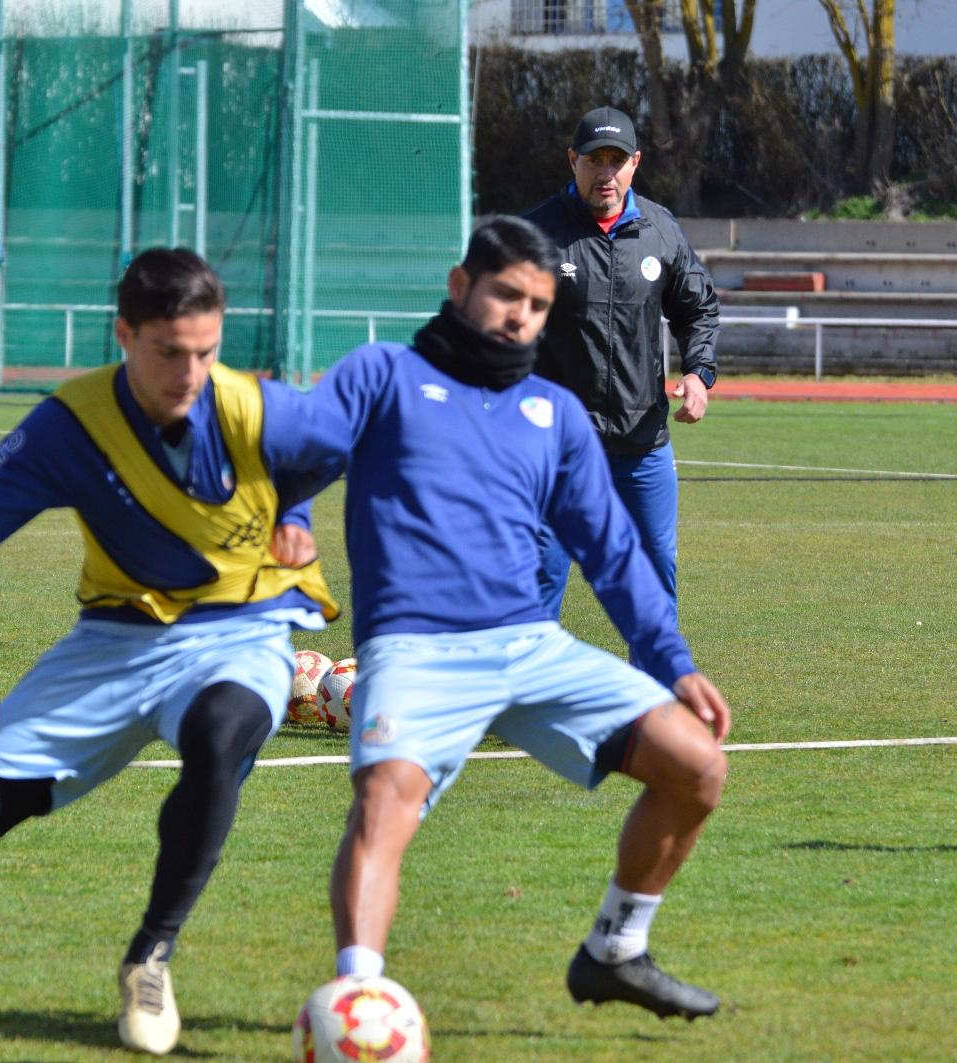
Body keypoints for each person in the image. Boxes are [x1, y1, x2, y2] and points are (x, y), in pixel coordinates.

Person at [0, 249, 346, 1057]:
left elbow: (350, 445)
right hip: (112, 642)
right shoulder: (70, 425)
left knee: (220, 732)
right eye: (168, 352)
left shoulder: (261, 408)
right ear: (123, 334)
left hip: (239, 632)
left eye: (206, 350)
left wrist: (293, 507)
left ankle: (150, 954)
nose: (190, 372)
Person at [309, 216, 730, 1019]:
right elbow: (295, 449)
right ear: (459, 286)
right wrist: (291, 521)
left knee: (697, 767)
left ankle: (615, 950)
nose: (520, 317)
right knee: (383, 803)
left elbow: (612, 552)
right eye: (505, 295)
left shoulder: (551, 411)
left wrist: (672, 661)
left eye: (537, 305)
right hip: (415, 646)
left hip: (529, 645)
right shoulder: (381, 374)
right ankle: (357, 999)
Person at [522, 106, 720, 617]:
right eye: (594, 160)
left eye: (616, 160)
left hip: (641, 444)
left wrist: (698, 373)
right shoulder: (536, 234)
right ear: (573, 161)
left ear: (635, 163)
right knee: (537, 583)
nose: (605, 173)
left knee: (654, 580)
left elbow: (697, 308)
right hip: (557, 450)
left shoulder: (660, 230)